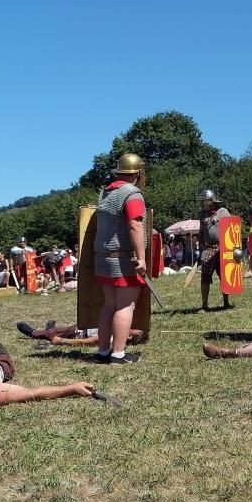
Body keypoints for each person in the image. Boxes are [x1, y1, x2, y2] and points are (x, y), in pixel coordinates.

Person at [92, 153, 148, 365]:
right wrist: (141, 258)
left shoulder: (106, 192)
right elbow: (135, 225)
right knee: (125, 306)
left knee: (109, 305)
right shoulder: (131, 193)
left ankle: (103, 351)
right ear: (137, 172)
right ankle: (118, 354)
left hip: (104, 257)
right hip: (123, 258)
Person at [197, 189, 232, 310]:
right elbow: (201, 232)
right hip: (208, 249)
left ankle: (226, 302)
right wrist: (201, 247)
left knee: (224, 276)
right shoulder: (202, 214)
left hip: (223, 248)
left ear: (212, 201)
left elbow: (231, 228)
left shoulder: (223, 212)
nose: (203, 204)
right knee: (205, 277)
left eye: (205, 201)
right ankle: (204, 304)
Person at [16, 319, 148, 347]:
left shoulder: (114, 339)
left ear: (130, 336)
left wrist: (62, 341)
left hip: (78, 334)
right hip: (83, 325)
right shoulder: (121, 325)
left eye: (135, 329)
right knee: (60, 331)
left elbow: (88, 342)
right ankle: (50, 329)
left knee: (54, 334)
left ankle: (34, 332)